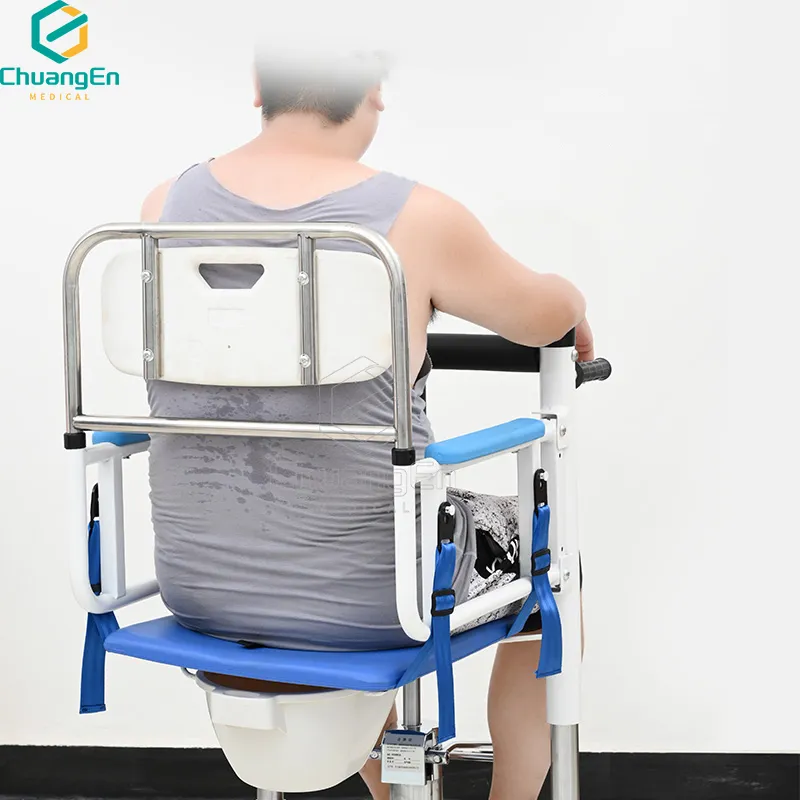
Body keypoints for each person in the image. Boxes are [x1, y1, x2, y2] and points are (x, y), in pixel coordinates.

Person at [141, 49, 593, 800]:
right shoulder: (416, 221)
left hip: (199, 586)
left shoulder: (164, 207)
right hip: (375, 598)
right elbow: (544, 316)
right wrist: (572, 301)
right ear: (374, 91)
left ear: (257, 86)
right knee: (553, 554)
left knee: (348, 525)